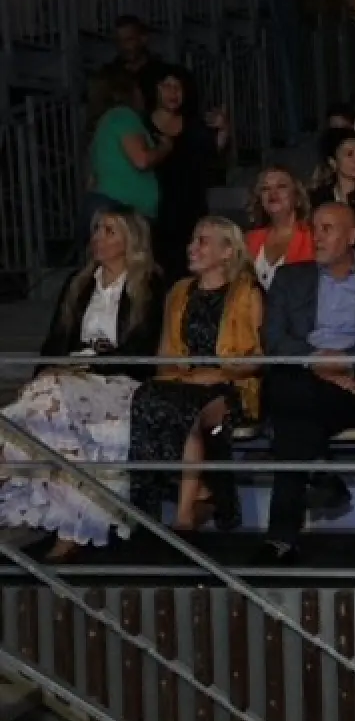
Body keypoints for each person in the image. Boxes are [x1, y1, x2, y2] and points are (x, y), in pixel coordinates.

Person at [0, 207, 165, 560]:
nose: (98, 238)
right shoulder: (79, 282)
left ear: (130, 240)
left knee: (47, 397)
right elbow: (56, 340)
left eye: (109, 231)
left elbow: (142, 348)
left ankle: (7, 461)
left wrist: (81, 366)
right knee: (49, 403)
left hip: (118, 379)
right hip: (68, 379)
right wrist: (46, 372)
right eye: (96, 230)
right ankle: (69, 528)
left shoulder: (149, 284)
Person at [257, 203, 355, 565]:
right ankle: (285, 529)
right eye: (314, 228)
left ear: (352, 236)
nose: (317, 237)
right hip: (303, 374)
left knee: (289, 408)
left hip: (354, 385)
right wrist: (318, 362)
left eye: (327, 229)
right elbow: (274, 340)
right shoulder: (290, 278)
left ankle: (309, 492)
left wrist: (345, 363)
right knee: (292, 401)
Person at [129, 217, 263, 532]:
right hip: (184, 382)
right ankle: (172, 500)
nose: (191, 248)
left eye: (202, 241)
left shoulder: (247, 292)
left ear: (227, 251)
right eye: (192, 240)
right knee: (146, 396)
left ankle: (185, 514)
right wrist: (181, 376)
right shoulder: (178, 291)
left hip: (231, 385)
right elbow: (165, 354)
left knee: (188, 408)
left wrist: (219, 373)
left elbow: (259, 357)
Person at [146, 64, 230, 282]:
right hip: (155, 214)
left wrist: (223, 129)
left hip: (191, 210)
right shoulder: (141, 126)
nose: (173, 93)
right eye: (167, 86)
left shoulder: (193, 124)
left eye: (178, 87)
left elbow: (212, 153)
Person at [86, 70, 170, 231]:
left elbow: (92, 178)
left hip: (107, 205)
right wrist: (165, 148)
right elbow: (142, 160)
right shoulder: (123, 116)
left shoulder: (104, 124)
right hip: (123, 209)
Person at [243, 167, 314, 290]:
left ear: (297, 197)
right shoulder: (249, 239)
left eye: (281, 186)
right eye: (265, 188)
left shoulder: (313, 237)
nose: (272, 193)